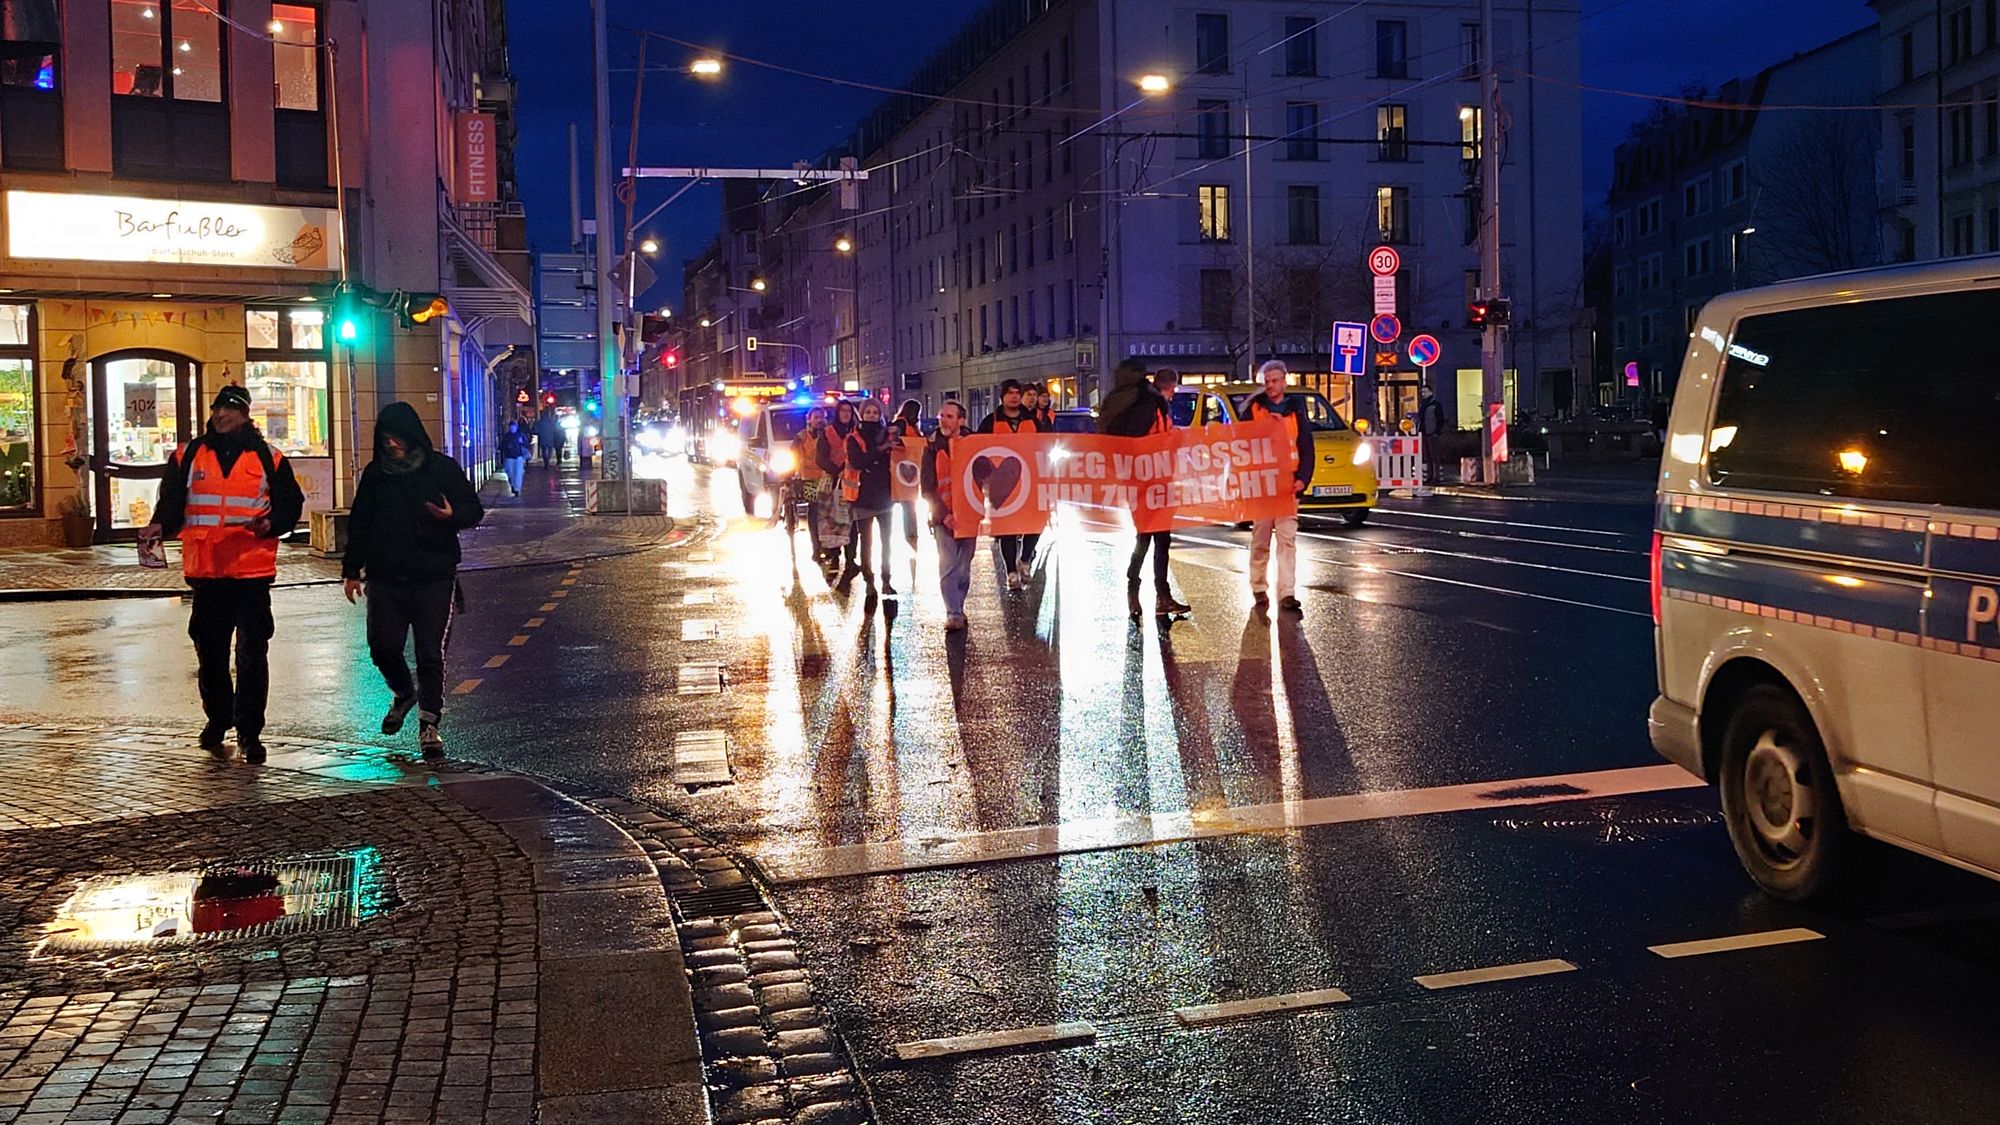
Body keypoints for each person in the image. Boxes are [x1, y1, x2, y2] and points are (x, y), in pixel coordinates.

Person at [137, 385, 305, 764]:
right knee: (210, 654)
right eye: (217, 409)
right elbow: (173, 503)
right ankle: (218, 717)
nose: (221, 416)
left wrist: (271, 524)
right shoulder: (189, 454)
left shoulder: (269, 457)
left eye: (229, 410)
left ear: (245, 415)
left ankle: (250, 733)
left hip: (251, 573)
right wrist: (157, 526)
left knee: (251, 655)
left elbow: (291, 504)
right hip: (208, 573)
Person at [341, 403, 485, 759]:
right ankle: (404, 692)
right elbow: (360, 523)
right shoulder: (376, 475)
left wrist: (452, 516)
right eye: (385, 439)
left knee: (429, 653)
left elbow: (473, 509)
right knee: (382, 646)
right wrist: (350, 569)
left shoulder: (441, 469)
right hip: (386, 576)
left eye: (398, 437)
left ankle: (429, 724)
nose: (392, 445)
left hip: (434, 576)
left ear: (413, 435)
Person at [1099, 357, 1189, 618]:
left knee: (1152, 538)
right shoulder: (1151, 405)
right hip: (1151, 480)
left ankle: (1144, 594)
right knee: (1154, 539)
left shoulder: (1137, 401)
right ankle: (1153, 595)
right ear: (1170, 387)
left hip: (1141, 481)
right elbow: (1142, 441)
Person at [1244, 361, 1312, 615]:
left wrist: (1303, 478)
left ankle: (1287, 593)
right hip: (1262, 487)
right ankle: (1259, 587)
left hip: (1287, 486)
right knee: (1260, 539)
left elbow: (1306, 446)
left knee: (1287, 540)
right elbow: (1242, 445)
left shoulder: (1296, 410)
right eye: (1267, 381)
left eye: (1275, 380)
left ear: (1284, 381)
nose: (1271, 386)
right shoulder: (1253, 409)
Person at [978, 379, 1043, 590]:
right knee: (1007, 527)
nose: (1014, 396)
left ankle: (1025, 559)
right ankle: (1011, 572)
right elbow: (978, 448)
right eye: (1010, 393)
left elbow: (1046, 445)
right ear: (1002, 396)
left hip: (1031, 479)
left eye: (1017, 392)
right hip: (1002, 482)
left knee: (1035, 522)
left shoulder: (1033, 421)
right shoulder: (990, 421)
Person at [921, 400, 974, 632]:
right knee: (949, 566)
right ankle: (952, 612)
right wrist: (943, 515)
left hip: (970, 516)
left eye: (949, 416)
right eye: (941, 416)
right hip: (943, 518)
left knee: (963, 567)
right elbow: (928, 486)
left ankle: (958, 607)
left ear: (961, 420)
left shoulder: (974, 443)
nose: (943, 420)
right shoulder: (931, 447)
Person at [841, 399, 895, 596]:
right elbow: (857, 462)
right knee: (867, 541)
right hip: (863, 497)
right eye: (868, 412)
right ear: (862, 415)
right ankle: (869, 579)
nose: (872, 415)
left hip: (885, 496)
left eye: (875, 412)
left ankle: (886, 579)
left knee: (887, 540)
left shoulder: (887, 434)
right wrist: (880, 450)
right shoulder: (854, 438)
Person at [817, 399, 859, 579]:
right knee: (833, 523)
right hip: (833, 482)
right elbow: (821, 458)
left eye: (849, 412)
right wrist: (837, 471)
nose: (846, 415)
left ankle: (851, 559)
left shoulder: (857, 432)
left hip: (852, 483)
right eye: (843, 411)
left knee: (852, 523)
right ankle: (834, 557)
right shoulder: (828, 432)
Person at [792, 408, 829, 564]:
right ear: (809, 419)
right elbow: (794, 455)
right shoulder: (801, 437)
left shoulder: (828, 434)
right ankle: (816, 547)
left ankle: (827, 545)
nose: (819, 420)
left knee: (827, 513)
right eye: (816, 417)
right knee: (814, 512)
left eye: (821, 417)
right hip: (809, 479)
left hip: (827, 478)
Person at [890, 399, 924, 552]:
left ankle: (911, 536)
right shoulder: (901, 423)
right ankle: (910, 536)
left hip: (910, 470)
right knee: (908, 505)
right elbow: (896, 442)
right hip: (901, 469)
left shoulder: (911, 426)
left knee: (909, 505)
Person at [1417, 383, 1445, 489]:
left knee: (1434, 456)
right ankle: (1430, 476)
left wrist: (1437, 431)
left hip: (1432, 433)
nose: (1423, 394)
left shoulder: (1435, 405)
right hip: (1424, 433)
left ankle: (1435, 476)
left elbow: (1440, 419)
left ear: (1430, 392)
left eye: (1425, 392)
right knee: (1427, 456)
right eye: (1422, 392)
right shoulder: (1423, 405)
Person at [498, 419, 529, 496]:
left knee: (518, 473)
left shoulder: (520, 435)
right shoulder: (507, 436)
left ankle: (517, 488)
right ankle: (514, 485)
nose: (512, 429)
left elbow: (526, 443)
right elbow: (502, 446)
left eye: (513, 427)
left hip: (518, 457)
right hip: (510, 457)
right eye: (511, 428)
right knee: (511, 473)